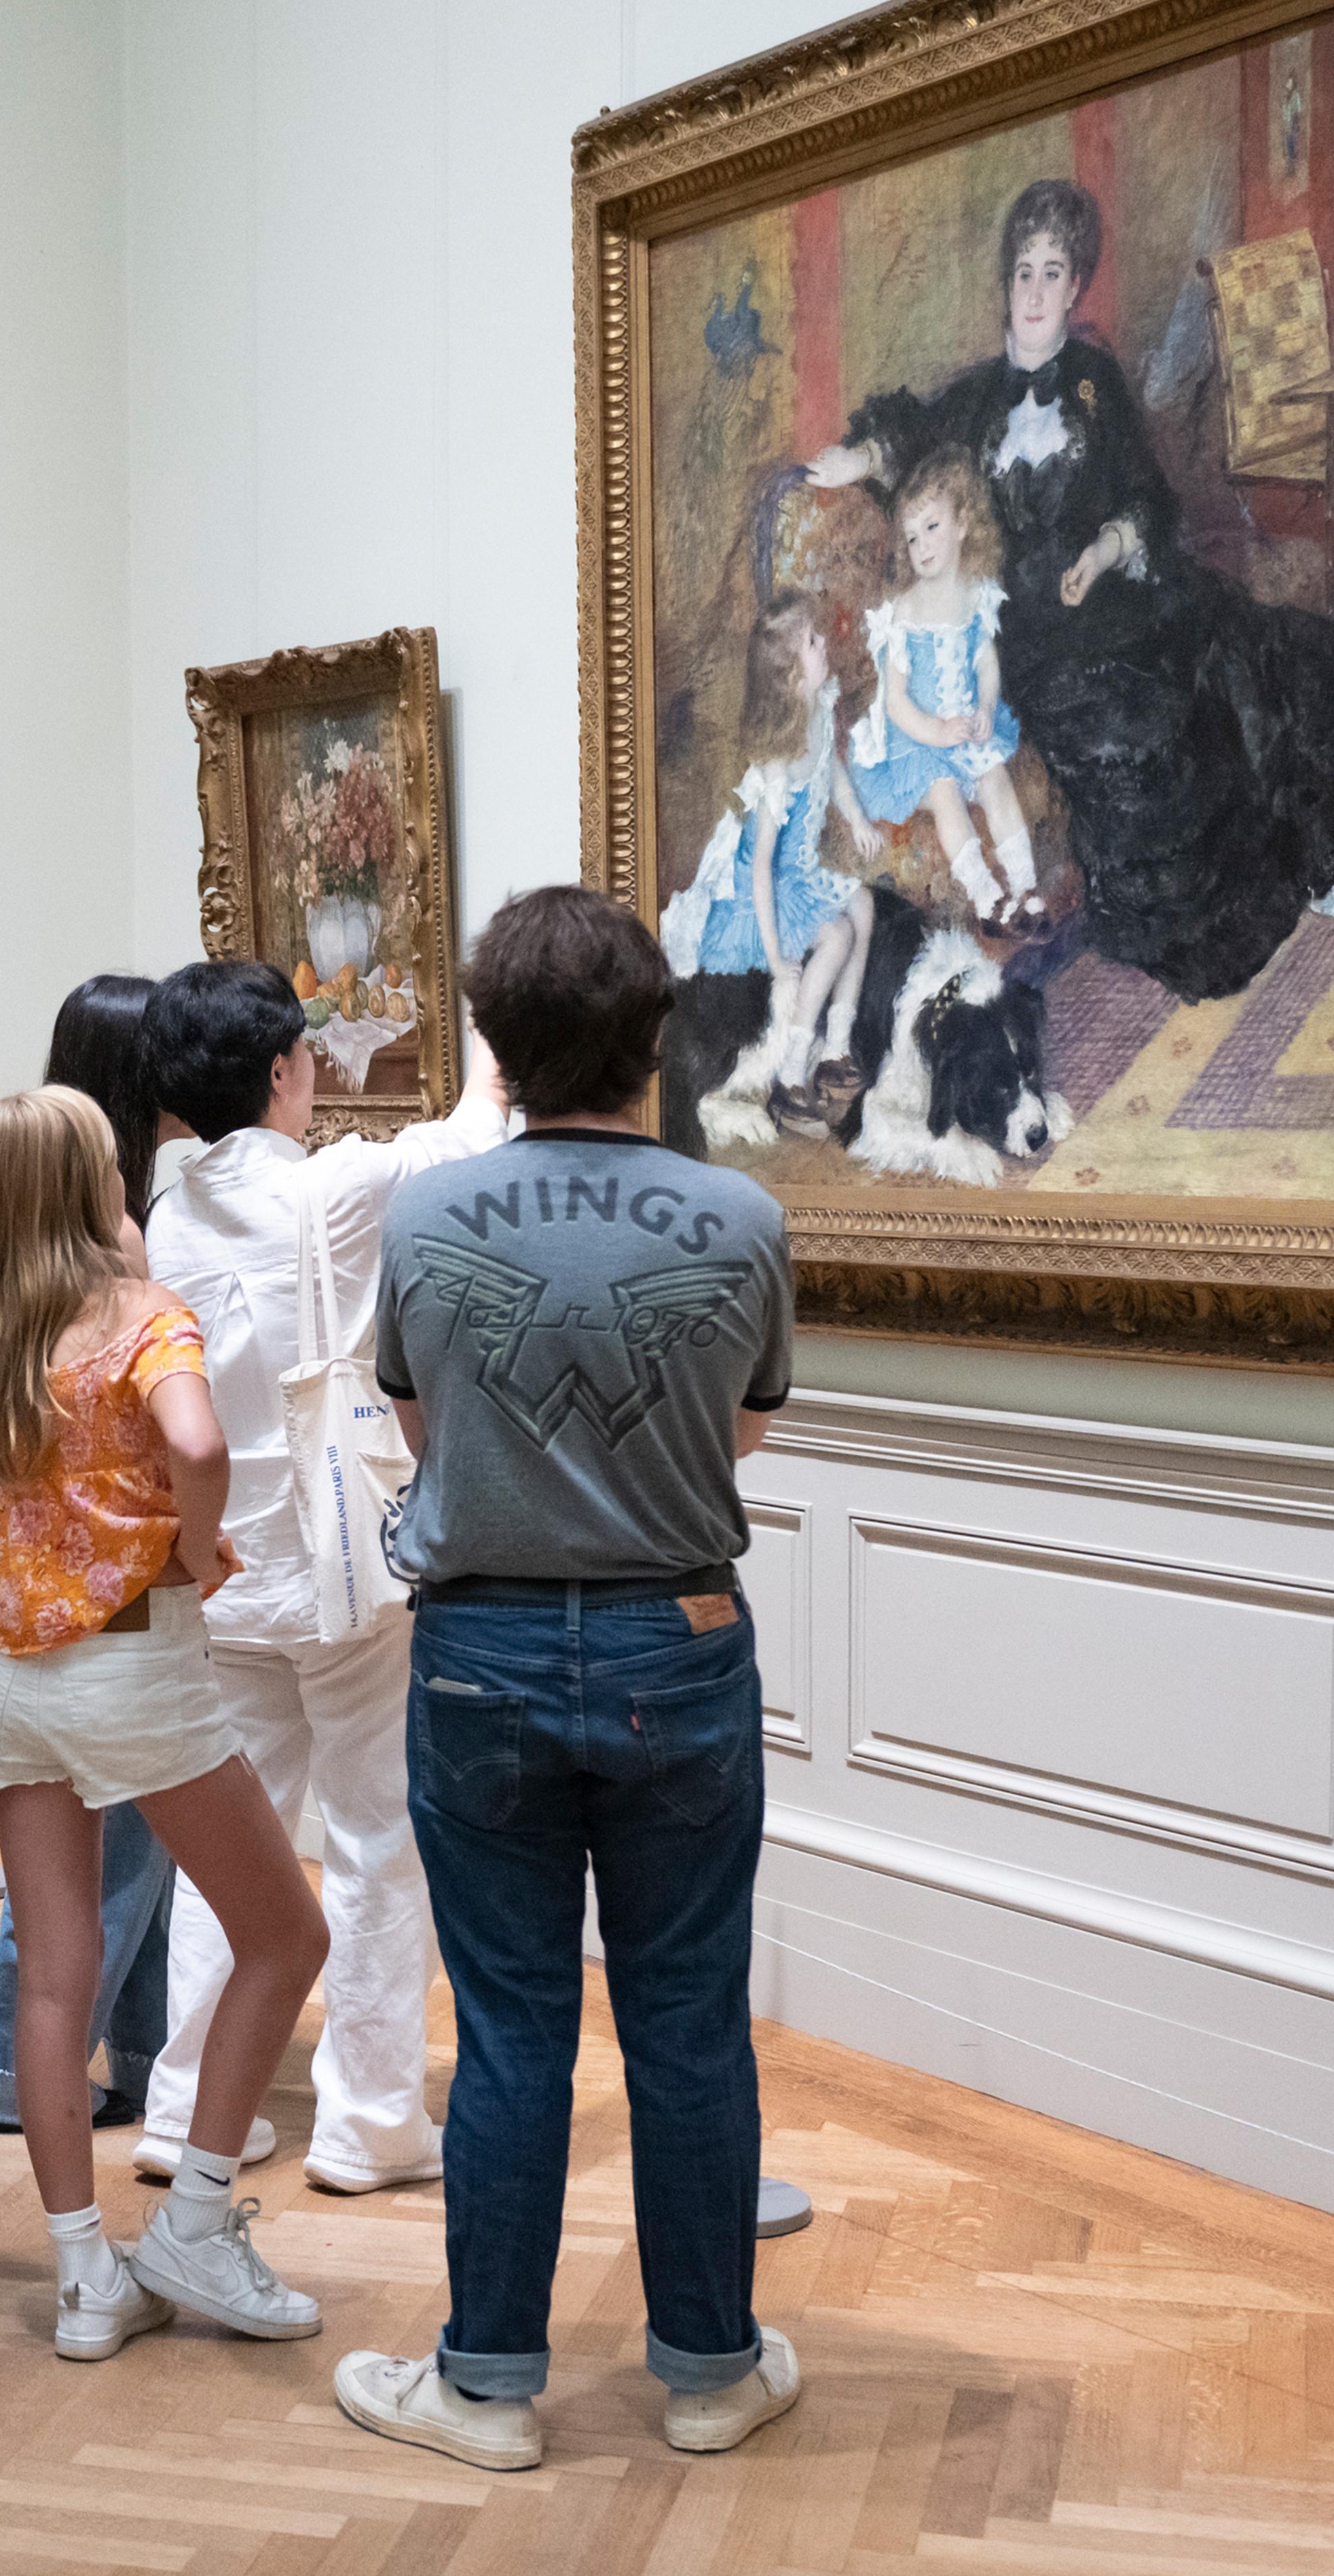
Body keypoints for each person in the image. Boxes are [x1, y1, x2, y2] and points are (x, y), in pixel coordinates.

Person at [333, 885, 802, 2473]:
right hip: (679, 1641)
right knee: (685, 2020)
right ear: (654, 1036)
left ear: (493, 1043)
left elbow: (419, 1427)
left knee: (515, 2025)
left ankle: (483, 2383)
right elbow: (741, 1429)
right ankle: (708, 2370)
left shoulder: (421, 1215)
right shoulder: (739, 1218)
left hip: (482, 1651)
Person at [0, 1086, 329, 2359]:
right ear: (96, 1189)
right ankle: (197, 2223)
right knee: (287, 1934)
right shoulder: (142, 1318)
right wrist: (198, 1549)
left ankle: (82, 2277)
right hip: (138, 1667)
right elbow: (199, 1443)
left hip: (10, 1683)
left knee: (56, 1979)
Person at [132, 959, 508, 2194]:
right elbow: (466, 1134)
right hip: (347, 1579)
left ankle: (191, 2107)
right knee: (373, 1841)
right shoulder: (334, 1192)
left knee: (226, 1854)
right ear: (284, 1072)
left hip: (219, 1576)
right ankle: (370, 2123)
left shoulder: (167, 1218)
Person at [809, 176, 1334, 1001]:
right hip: (1032, 638)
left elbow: (1145, 498)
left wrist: (1104, 549)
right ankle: (1207, 905)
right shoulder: (978, 398)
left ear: (1077, 285)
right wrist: (858, 460)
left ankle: (1307, 843)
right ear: (1006, 283)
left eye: (1054, 271)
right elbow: (910, 439)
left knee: (1264, 652)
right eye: (1024, 270)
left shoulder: (1094, 380)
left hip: (1117, 600)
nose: (1035, 290)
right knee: (1138, 728)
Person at [0, 975, 179, 2138]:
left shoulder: (8, 1260)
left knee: (118, 1862)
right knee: (105, 1870)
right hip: (110, 1607)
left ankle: (136, 2056)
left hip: (20, 1620)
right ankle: (4, 2073)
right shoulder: (114, 1248)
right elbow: (178, 1431)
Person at [662, 597, 883, 1133]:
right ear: (789, 677)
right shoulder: (776, 767)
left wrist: (855, 819)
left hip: (799, 873)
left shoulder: (817, 712)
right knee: (835, 936)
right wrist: (775, 953)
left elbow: (831, 766)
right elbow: (760, 868)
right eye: (812, 642)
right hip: (759, 892)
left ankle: (836, 1045)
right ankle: (789, 1073)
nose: (824, 643)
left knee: (866, 904)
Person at [848, 449, 1040, 933]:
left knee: (995, 774)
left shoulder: (977, 596)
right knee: (946, 789)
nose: (922, 545)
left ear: (962, 525)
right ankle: (986, 899)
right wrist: (938, 731)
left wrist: (986, 707)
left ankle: (1025, 888)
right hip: (917, 742)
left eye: (932, 528)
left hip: (965, 728)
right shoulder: (904, 614)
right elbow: (894, 704)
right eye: (912, 538)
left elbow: (987, 665)